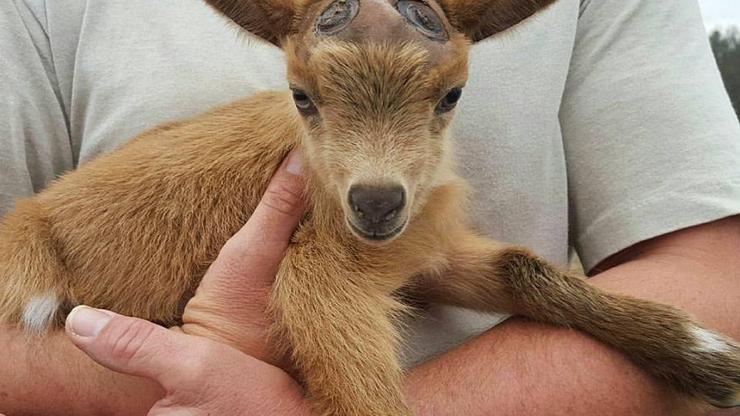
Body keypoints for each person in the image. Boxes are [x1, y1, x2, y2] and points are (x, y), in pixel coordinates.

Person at [1, 0, 739, 414]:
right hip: (52, 257)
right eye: (308, 102)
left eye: (444, 99)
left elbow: (712, 265)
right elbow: (318, 280)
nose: (376, 174)